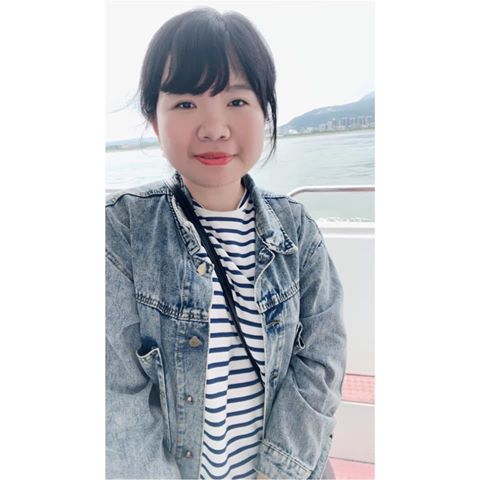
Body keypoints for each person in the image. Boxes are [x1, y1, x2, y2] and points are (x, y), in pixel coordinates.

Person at [106, 7, 346, 480]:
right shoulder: (122, 231)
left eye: (237, 100)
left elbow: (322, 361)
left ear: (265, 112)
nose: (214, 127)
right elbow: (115, 400)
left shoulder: (297, 230)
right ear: (154, 119)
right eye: (185, 103)